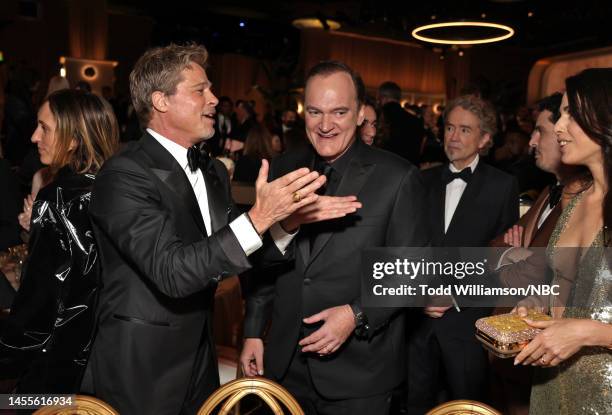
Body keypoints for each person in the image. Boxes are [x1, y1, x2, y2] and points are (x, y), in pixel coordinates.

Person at [82, 43, 325, 415]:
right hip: (142, 365)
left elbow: (234, 253)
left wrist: (285, 224)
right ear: (160, 101)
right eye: (200, 90)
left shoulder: (211, 171)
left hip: (199, 353)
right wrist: (258, 218)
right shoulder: (124, 174)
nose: (214, 99)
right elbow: (173, 273)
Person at [241, 61, 430, 415]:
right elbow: (262, 262)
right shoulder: (283, 169)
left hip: (360, 373)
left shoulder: (398, 177)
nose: (325, 125)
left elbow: (413, 270)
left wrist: (356, 314)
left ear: (360, 114)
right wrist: (253, 330)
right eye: (315, 112)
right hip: (283, 363)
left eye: (339, 112)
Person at [0, 88, 118, 393]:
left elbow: (41, 304)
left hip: (56, 371)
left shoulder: (59, 197)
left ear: (74, 138)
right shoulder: (117, 188)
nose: (34, 137)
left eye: (45, 128)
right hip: (107, 364)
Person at [406, 94, 519, 412]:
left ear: (485, 138)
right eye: (450, 128)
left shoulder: (502, 186)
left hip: (466, 322)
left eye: (465, 130)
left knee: (467, 406)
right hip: (417, 321)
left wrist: (454, 295)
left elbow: (503, 261)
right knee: (415, 403)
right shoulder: (419, 180)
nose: (453, 137)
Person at [513, 68, 612, 415]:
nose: (558, 127)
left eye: (571, 113)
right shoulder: (576, 199)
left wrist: (589, 333)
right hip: (554, 386)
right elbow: (565, 288)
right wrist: (535, 303)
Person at [377, 81, 424, 165]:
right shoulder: (416, 121)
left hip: (383, 169)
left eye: (379, 99)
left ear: (383, 98)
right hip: (409, 170)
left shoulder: (379, 118)